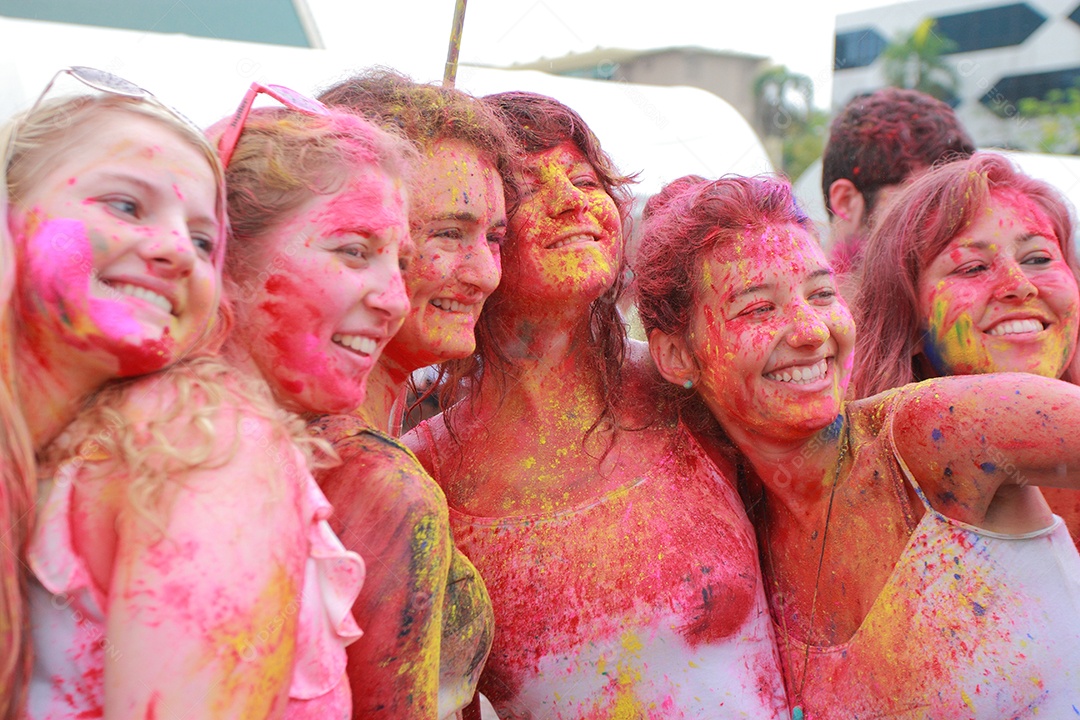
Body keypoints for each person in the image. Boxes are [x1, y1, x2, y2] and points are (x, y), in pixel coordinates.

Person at [636, 173, 1080, 719]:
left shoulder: (939, 433)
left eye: (822, 294)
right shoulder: (740, 543)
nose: (809, 330)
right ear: (677, 356)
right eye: (758, 308)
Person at [407, 92, 788, 719]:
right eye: (529, 188)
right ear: (479, 237)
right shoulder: (423, 477)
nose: (573, 201)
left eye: (586, 179)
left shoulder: (693, 388)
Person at [0, 69, 300, 717]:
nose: (176, 252)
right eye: (126, 206)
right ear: (8, 217)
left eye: (202, 241)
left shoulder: (194, 442)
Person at [309, 70, 517, 718]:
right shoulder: (380, 484)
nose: (484, 272)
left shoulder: (289, 434)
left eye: (495, 237)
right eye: (449, 233)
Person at [211, 83, 417, 717]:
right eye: (354, 251)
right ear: (226, 252)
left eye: (400, 262)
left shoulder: (264, 461)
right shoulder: (198, 474)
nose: (395, 300)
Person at [852, 151, 1080, 546]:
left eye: (1039, 258)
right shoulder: (918, 439)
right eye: (972, 267)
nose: (1019, 285)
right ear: (906, 321)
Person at [822, 87, 975, 290]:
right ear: (846, 202)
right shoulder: (784, 317)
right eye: (924, 206)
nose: (945, 229)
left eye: (959, 207)